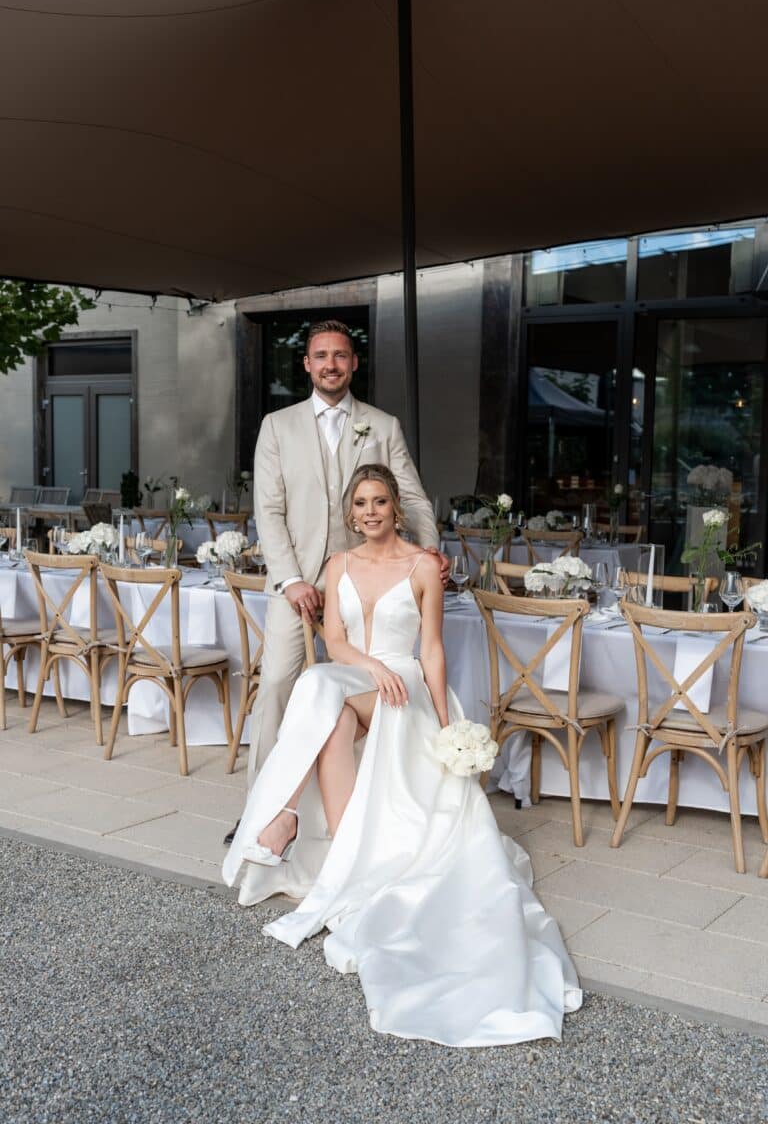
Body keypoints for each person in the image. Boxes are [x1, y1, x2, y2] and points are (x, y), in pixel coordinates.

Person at [223, 465, 581, 1048]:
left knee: (319, 690)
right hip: (358, 676)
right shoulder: (337, 563)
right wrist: (371, 667)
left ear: (396, 508)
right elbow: (334, 642)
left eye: (380, 502)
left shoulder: (422, 567)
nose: (370, 512)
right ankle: (333, 844)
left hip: (403, 686)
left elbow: (432, 650)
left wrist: (445, 723)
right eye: (361, 503)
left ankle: (284, 816)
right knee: (326, 700)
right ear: (351, 512)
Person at [223, 321, 442, 845]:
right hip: (297, 584)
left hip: (364, 582)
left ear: (354, 363)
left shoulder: (382, 426)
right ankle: (262, 809)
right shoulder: (277, 426)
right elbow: (269, 511)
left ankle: (368, 804)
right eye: (320, 356)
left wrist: (429, 549)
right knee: (279, 685)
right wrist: (291, 580)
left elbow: (411, 495)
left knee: (358, 690)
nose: (330, 365)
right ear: (306, 364)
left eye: (340, 355)